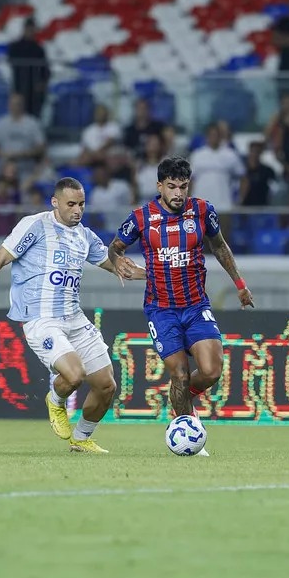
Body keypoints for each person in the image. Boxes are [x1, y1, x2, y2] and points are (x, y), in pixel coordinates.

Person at [0, 178, 146, 454]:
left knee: (106, 385)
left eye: (81, 204)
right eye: (71, 204)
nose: (77, 210)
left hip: (74, 318)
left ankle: (81, 439)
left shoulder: (85, 236)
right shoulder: (35, 225)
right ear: (55, 202)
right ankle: (56, 400)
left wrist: (156, 273)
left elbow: (120, 267)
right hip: (41, 318)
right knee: (74, 375)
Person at [108, 156, 255, 451]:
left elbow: (219, 246)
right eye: (172, 186)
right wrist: (119, 262)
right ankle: (189, 432)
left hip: (196, 305)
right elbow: (115, 247)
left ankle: (179, 397)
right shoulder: (141, 217)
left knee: (211, 371)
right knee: (179, 374)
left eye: (183, 186)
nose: (178, 193)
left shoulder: (202, 211)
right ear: (159, 186)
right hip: (161, 309)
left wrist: (240, 285)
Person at [188, 123, 244, 212]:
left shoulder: (230, 155)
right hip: (200, 207)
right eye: (211, 135)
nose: (214, 137)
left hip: (224, 206)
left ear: (220, 137)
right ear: (207, 137)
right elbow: (190, 180)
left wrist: (240, 200)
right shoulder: (197, 155)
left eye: (216, 135)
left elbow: (243, 177)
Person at [0, 93, 47, 178]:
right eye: (12, 104)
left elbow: (41, 148)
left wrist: (24, 154)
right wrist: (4, 154)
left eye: (18, 104)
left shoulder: (33, 123)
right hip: (4, 166)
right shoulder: (0, 123)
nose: (15, 107)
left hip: (26, 167)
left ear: (23, 106)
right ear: (8, 105)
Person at [8, 18, 50, 118]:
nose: (30, 32)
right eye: (28, 29)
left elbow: (45, 69)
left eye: (32, 29)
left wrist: (42, 83)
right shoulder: (15, 47)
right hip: (20, 86)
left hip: (35, 90)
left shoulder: (38, 49)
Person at [87, 162, 134, 232]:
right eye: (97, 175)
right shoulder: (95, 193)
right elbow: (95, 214)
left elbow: (132, 202)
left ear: (107, 173)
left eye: (101, 174)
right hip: (108, 227)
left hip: (126, 223)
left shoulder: (121, 185)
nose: (99, 177)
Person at [238, 140, 276, 207]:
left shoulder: (267, 171)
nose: (254, 154)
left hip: (262, 207)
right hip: (246, 208)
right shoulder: (242, 170)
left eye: (257, 152)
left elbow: (274, 188)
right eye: (252, 151)